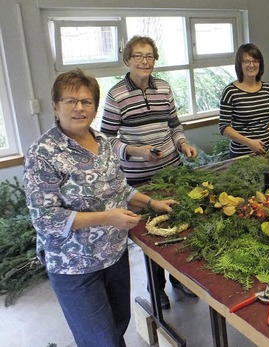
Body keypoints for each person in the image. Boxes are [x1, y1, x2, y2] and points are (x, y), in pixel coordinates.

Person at [23, 69, 176, 347]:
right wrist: (108, 217)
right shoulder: (43, 153)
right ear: (55, 107)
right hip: (75, 266)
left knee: (118, 326)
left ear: (95, 107)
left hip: (114, 256)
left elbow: (120, 190)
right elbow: (46, 218)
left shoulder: (103, 144)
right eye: (70, 101)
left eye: (86, 101)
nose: (79, 108)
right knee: (101, 340)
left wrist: (152, 203)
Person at [101, 35, 198, 308]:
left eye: (150, 56)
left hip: (173, 172)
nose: (145, 61)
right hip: (139, 180)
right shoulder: (116, 94)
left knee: (179, 225)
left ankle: (181, 280)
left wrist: (182, 143)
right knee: (152, 237)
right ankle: (157, 289)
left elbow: (174, 124)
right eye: (138, 56)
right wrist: (134, 150)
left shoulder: (164, 88)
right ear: (127, 60)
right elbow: (106, 139)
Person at [219, 43, 269, 158]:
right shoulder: (230, 92)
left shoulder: (266, 89)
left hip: (268, 151)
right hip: (243, 155)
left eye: (255, 61)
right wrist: (249, 142)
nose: (251, 65)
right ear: (240, 65)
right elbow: (224, 127)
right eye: (247, 61)